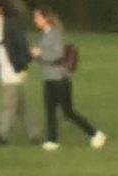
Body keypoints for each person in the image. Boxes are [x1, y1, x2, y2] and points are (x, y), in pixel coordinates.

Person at [33, 10, 105, 150]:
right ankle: (52, 141)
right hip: (49, 78)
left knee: (68, 112)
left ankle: (96, 134)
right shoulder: (45, 35)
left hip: (60, 79)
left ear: (45, 19)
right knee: (50, 110)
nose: (35, 20)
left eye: (37, 17)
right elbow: (45, 58)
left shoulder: (55, 34)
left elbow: (57, 54)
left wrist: (40, 53)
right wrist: (35, 55)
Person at [0, 0, 32, 146]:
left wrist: (24, 68)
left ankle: (2, 136)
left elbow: (22, 46)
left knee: (8, 104)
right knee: (21, 108)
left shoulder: (12, 24)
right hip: (4, 71)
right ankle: (35, 134)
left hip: (15, 70)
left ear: (0, 7)